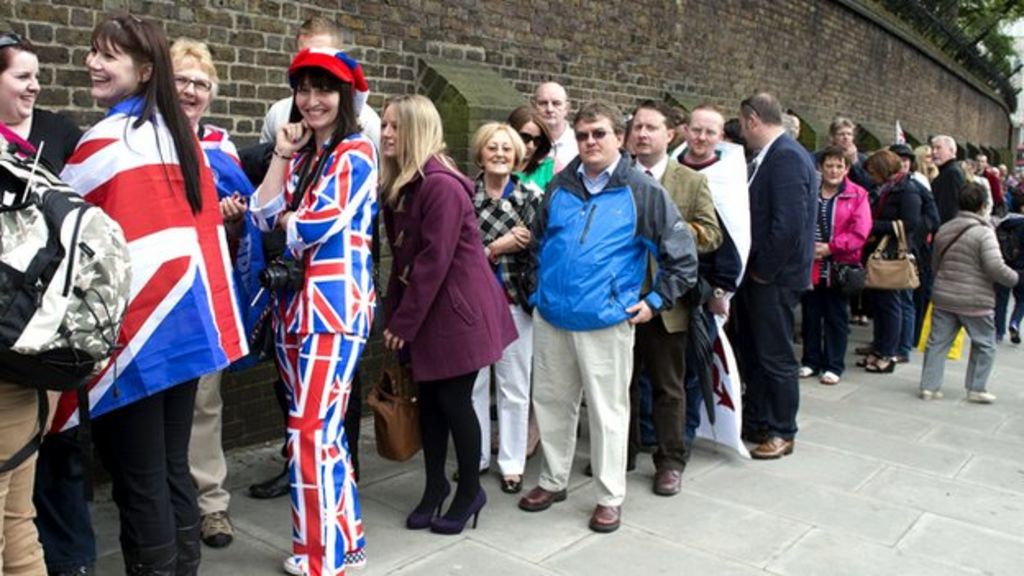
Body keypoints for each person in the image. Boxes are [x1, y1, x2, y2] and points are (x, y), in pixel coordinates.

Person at [57, 12, 246, 575]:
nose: (93, 62)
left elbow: (68, 236)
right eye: (93, 51)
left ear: (143, 71)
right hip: (186, 329)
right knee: (169, 468)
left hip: (138, 335)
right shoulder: (175, 135)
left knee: (140, 479)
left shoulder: (109, 140)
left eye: (108, 56)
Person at [518, 101, 697, 532]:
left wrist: (654, 302)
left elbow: (683, 258)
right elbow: (536, 244)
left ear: (619, 136)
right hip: (554, 318)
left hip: (605, 322)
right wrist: (536, 295)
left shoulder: (643, 191)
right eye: (582, 135)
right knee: (552, 405)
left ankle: (609, 496)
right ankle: (553, 479)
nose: (590, 142)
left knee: (608, 413)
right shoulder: (560, 186)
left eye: (599, 133)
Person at [250, 47, 376, 576]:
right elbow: (262, 215)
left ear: (344, 96)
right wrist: (280, 155)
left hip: (334, 310)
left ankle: (320, 559)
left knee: (308, 432)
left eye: (323, 88)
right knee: (320, 435)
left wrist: (286, 217)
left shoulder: (356, 153)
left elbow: (308, 226)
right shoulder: (300, 157)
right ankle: (346, 541)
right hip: (293, 311)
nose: (311, 99)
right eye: (303, 89)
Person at [379, 95, 516, 535]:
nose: (385, 134)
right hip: (428, 311)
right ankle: (435, 486)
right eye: (384, 125)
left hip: (457, 314)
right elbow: (402, 260)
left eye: (394, 127)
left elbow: (433, 261)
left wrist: (402, 322)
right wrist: (395, 314)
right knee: (432, 406)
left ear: (417, 130)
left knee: (455, 403)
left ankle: (469, 490)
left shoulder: (440, 184)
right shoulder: (405, 181)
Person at [0, 30, 97, 576]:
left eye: (37, 75)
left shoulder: (55, 136)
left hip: (25, 349)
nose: (35, 86)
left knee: (24, 507)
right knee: (17, 517)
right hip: (22, 345)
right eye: (22, 76)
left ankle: (76, 558)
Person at [171, 37, 258, 551]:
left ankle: (210, 506)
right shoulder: (143, 140)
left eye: (201, 83)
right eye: (182, 79)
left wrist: (231, 220)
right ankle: (165, 502)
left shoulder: (221, 148)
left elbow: (244, 224)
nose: (191, 90)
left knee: (206, 400)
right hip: (157, 296)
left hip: (207, 292)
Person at [627, 100, 720, 495]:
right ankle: (620, 452)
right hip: (620, 299)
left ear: (671, 134)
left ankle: (669, 461)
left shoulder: (691, 181)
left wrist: (675, 229)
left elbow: (712, 234)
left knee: (669, 387)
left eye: (652, 127)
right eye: (637, 127)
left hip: (668, 304)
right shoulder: (615, 177)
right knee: (620, 386)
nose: (643, 134)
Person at [734, 92, 817, 460]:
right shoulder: (775, 155)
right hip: (764, 277)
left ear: (753, 120)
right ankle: (759, 421)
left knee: (776, 356)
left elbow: (789, 226)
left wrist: (763, 273)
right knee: (757, 353)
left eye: (742, 124)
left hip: (775, 279)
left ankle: (784, 430)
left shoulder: (785, 157)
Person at [467, 122, 540, 495]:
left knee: (514, 387)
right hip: (474, 303)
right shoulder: (464, 196)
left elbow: (537, 246)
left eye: (506, 149)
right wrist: (498, 246)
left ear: (517, 156)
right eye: (492, 148)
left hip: (515, 302)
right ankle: (476, 456)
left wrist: (517, 244)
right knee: (475, 385)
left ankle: (512, 463)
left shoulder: (530, 197)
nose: (499, 154)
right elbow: (460, 256)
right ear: (480, 153)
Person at [919, 182, 1022, 402]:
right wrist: (1015, 278)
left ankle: (929, 387)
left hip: (944, 295)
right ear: (983, 205)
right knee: (984, 344)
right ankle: (976, 388)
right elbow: (994, 267)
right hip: (975, 300)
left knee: (937, 343)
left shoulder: (945, 229)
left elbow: (936, 264)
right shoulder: (984, 233)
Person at [799, 147, 871, 385]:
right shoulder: (810, 192)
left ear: (847, 169)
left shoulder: (857, 194)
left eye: (839, 166)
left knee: (836, 317)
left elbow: (860, 231)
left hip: (839, 267)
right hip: (810, 265)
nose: (834, 170)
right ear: (820, 167)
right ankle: (810, 360)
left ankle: (833, 364)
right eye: (829, 165)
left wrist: (831, 247)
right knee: (810, 315)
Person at [857, 150, 923, 373]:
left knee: (891, 305)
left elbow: (910, 223)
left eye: (874, 173)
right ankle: (880, 348)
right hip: (879, 252)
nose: (872, 177)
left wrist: (873, 226)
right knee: (880, 304)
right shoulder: (885, 189)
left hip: (892, 254)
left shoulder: (908, 191)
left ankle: (888, 353)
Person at [507, 105, 555, 195]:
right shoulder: (497, 166)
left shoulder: (547, 168)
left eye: (537, 140)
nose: (531, 146)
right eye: (525, 137)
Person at [533, 82, 576, 172]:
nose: (549, 109)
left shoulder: (579, 144)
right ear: (534, 107)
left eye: (556, 103)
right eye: (543, 103)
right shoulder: (526, 143)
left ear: (567, 108)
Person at [930, 135, 965, 224]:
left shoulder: (952, 173)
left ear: (951, 150)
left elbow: (949, 209)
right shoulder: (946, 172)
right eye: (933, 148)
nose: (934, 152)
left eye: (938, 148)